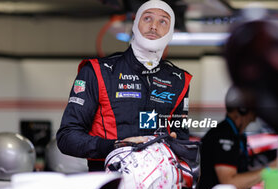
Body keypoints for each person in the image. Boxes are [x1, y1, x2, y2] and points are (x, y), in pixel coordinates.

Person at [56, 0, 192, 171]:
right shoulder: (98, 72)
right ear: (135, 24)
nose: (154, 26)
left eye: (163, 21)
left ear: (171, 32)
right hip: (108, 184)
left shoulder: (178, 79)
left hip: (159, 186)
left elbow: (181, 139)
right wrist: (116, 146)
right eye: (147, 18)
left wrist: (175, 145)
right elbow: (67, 137)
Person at [197, 87, 278, 189]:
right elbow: (229, 182)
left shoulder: (237, 135)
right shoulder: (224, 135)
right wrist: (269, 169)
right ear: (243, 108)